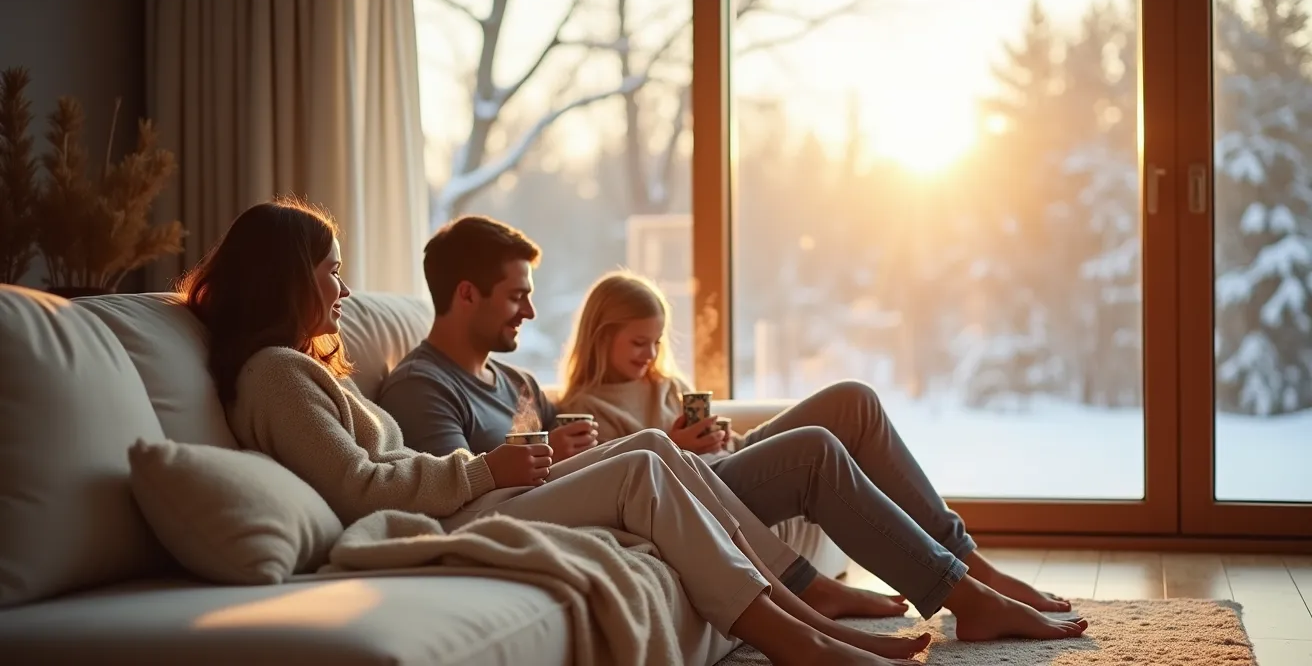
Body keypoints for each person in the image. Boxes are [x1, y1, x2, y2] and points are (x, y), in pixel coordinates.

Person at [181, 198, 929, 666]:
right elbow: (357, 487)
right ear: (287, 277)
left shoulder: (297, 370)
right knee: (642, 468)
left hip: (457, 500)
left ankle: (806, 613)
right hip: (425, 524)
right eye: (331, 272)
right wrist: (489, 469)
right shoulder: (276, 373)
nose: (344, 290)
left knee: (651, 447)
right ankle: (802, 642)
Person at [378, 215, 1088, 643]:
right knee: (814, 450)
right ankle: (966, 597)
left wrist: (631, 439)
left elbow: (590, 444)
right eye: (514, 297)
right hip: (646, 489)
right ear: (465, 294)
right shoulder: (422, 385)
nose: (528, 314)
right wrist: (566, 452)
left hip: (666, 477)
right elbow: (469, 495)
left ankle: (972, 572)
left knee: (853, 401)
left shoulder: (519, 382)